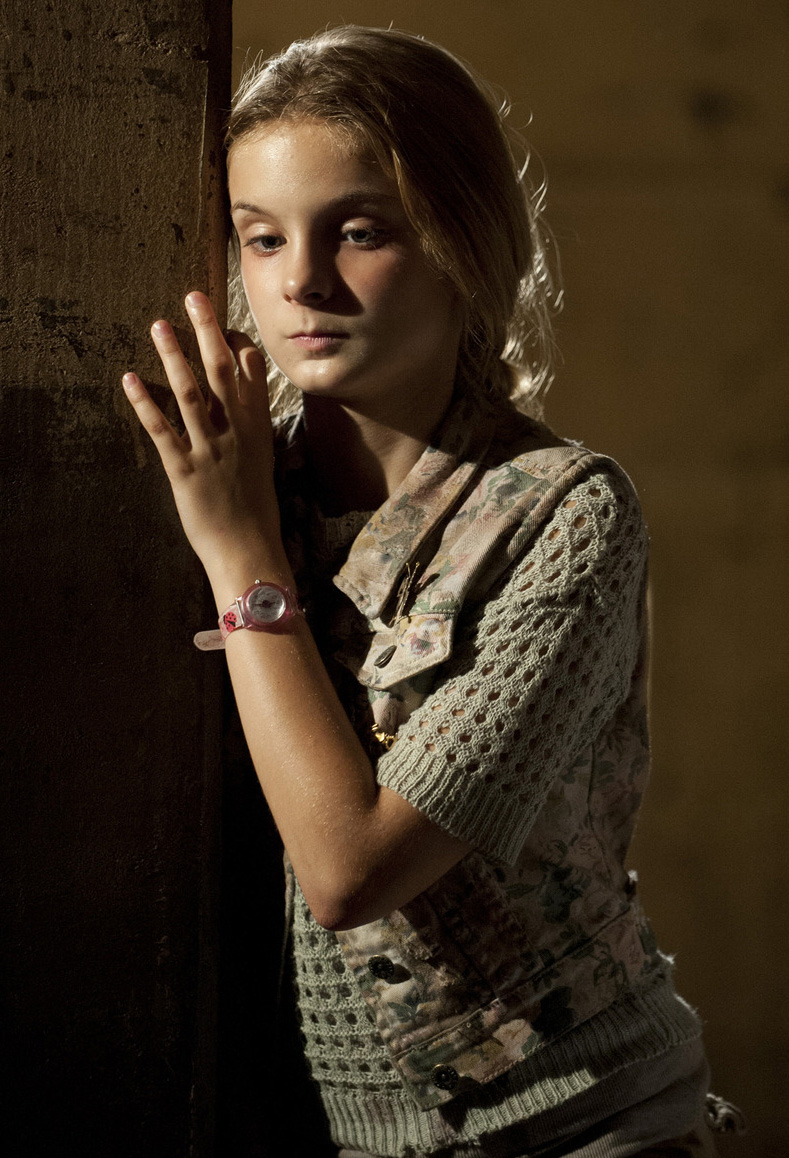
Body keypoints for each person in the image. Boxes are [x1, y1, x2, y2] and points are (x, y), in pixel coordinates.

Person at [122, 25, 741, 1158]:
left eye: (360, 231)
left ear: (462, 240)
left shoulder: (564, 514)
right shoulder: (234, 484)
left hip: (578, 1121)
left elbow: (352, 870)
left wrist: (243, 561)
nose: (301, 281)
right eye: (262, 238)